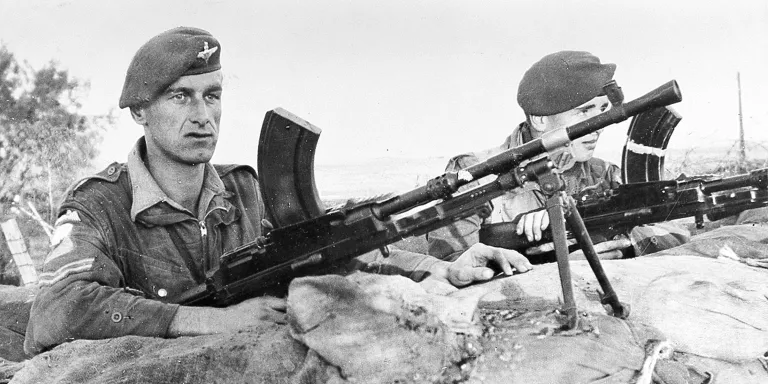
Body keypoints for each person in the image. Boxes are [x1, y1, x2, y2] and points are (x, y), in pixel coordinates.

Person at [23, 27, 533, 356]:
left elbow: (331, 251)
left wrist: (439, 267)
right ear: (139, 110)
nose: (202, 115)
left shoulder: (246, 189)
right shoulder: (99, 204)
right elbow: (58, 308)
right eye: (181, 97)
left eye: (213, 96)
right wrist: (199, 321)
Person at [427, 51, 689, 262]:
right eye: (584, 112)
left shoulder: (603, 174)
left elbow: (677, 230)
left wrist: (628, 244)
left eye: (602, 111)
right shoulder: (476, 173)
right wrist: (561, 261)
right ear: (540, 119)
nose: (599, 125)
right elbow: (453, 263)